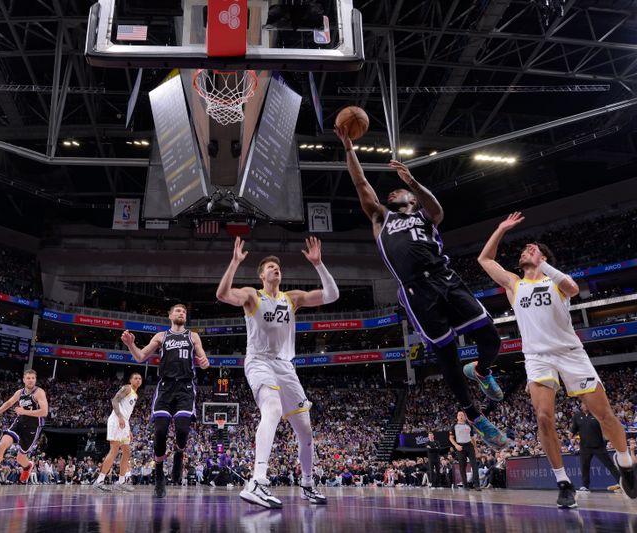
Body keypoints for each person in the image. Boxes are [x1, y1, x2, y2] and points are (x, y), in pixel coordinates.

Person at [334, 126, 508, 449]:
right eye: (389, 195)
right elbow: (361, 184)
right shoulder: (380, 218)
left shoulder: (424, 215)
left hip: (445, 277)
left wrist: (412, 181)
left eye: (397, 193)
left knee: (491, 338)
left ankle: (482, 371)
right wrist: (348, 148)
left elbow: (439, 211)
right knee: (447, 355)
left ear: (411, 198)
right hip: (416, 291)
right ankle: (474, 416)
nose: (390, 195)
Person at [477, 211, 636, 508]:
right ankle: (563, 482)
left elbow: (573, 289)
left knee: (605, 414)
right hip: (537, 357)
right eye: (525, 249)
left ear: (544, 257)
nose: (527, 250)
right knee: (543, 416)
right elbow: (485, 260)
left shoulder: (556, 281)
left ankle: (626, 463)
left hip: (570, 353)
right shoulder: (514, 284)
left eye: (533, 249)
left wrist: (543, 263)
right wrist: (500, 228)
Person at [216, 236, 335, 508]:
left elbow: (332, 295)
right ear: (261, 275)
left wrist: (318, 264)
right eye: (270, 267)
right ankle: (257, 481)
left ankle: (307, 484)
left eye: (277, 267)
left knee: (305, 432)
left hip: (285, 366)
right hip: (258, 361)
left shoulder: (292, 298)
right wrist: (234, 262)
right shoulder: (252, 295)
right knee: (271, 408)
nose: (275, 269)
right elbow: (222, 294)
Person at [120, 303, 210, 498]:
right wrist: (130, 345)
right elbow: (140, 357)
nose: (182, 313)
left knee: (182, 430)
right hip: (165, 388)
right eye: (178, 310)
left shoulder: (193, 336)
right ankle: (159, 473)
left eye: (184, 311)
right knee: (160, 431)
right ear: (170, 315)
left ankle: (179, 454)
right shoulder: (161, 336)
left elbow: (204, 360)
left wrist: (204, 362)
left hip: (185, 388)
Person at [0, 369, 48, 490]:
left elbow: (44, 412)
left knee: (20, 458)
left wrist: (24, 411)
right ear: (24, 379)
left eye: (33, 378)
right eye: (28, 378)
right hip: (19, 423)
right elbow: (9, 403)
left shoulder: (39, 392)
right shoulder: (20, 392)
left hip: (33, 427)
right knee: (2, 445)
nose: (31, 380)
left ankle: (27, 467)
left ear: (35, 380)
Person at [95, 372, 143, 492]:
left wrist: (128, 428)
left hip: (124, 422)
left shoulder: (135, 394)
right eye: (136, 378)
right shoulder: (127, 388)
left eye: (140, 379)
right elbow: (114, 401)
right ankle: (99, 481)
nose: (138, 380)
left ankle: (121, 482)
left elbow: (127, 411)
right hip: (117, 420)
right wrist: (120, 417)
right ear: (130, 380)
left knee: (127, 452)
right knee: (114, 450)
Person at [570, 402, 621, 492]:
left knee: (610, 465)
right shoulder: (577, 416)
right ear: (581, 406)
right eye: (583, 404)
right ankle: (585, 486)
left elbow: (605, 427)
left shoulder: (597, 415)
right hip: (585, 447)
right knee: (584, 467)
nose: (585, 405)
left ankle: (621, 483)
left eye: (586, 404)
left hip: (599, 446)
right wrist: (571, 434)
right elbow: (573, 429)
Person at [449, 411, 480, 491]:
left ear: (465, 417)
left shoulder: (469, 425)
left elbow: (473, 438)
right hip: (460, 446)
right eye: (459, 415)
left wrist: (475, 448)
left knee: (474, 465)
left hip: (469, 445)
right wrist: (456, 445)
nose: (461, 416)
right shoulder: (454, 426)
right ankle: (465, 485)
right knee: (462, 467)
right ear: (457, 417)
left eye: (462, 415)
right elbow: (451, 438)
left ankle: (477, 485)